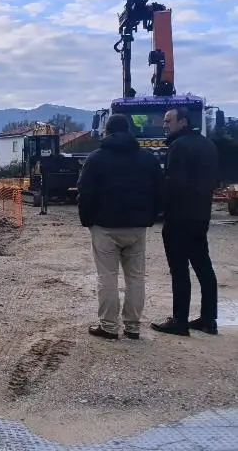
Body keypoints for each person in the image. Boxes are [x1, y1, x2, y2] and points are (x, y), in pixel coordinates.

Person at [77, 114, 163, 340]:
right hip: (136, 227)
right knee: (136, 277)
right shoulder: (147, 159)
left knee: (107, 276)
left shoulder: (96, 159)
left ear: (106, 131)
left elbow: (85, 192)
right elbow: (159, 191)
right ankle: (133, 326)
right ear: (129, 130)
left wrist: (87, 220)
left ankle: (108, 326)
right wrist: (149, 217)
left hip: (105, 226)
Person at [151, 107, 219, 337]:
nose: (165, 125)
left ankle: (179, 320)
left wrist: (158, 204)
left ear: (183, 121)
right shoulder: (208, 145)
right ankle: (209, 320)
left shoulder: (179, 146)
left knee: (179, 269)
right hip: (201, 215)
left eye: (169, 120)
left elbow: (174, 183)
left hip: (179, 216)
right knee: (203, 267)